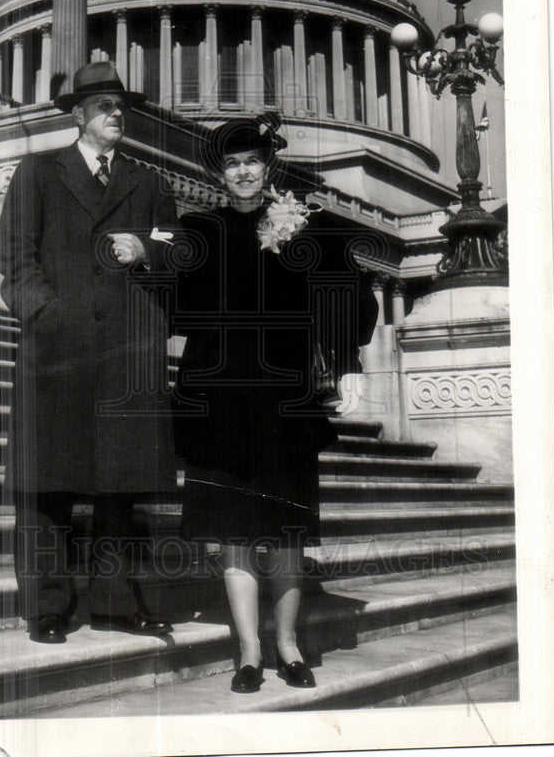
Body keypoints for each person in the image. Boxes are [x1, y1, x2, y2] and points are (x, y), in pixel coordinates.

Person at [173, 114, 378, 693]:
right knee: (234, 532)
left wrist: (346, 363)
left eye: (252, 163)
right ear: (220, 172)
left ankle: (288, 645)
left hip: (285, 401)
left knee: (285, 531)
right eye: (232, 164)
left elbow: (346, 295)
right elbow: (172, 301)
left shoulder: (304, 228)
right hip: (217, 400)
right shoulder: (199, 230)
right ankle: (248, 650)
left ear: (268, 168)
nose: (242, 172)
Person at [0, 61, 179, 644]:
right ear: (78, 115)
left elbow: (181, 250)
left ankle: (116, 602)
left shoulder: (149, 183)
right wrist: (46, 315)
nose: (115, 115)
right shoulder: (39, 172)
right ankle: (47, 607)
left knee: (120, 488)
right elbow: (14, 257)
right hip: (57, 349)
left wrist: (147, 246)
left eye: (120, 106)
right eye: (103, 107)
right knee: (47, 486)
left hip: (127, 352)